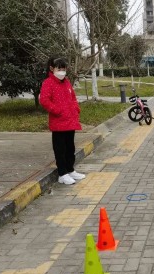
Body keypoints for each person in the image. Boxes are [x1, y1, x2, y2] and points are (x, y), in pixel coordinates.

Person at [39, 57, 85, 185]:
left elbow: (73, 97)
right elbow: (44, 100)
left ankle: (70, 170)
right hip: (58, 122)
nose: (62, 71)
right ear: (52, 69)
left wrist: (76, 108)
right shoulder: (48, 83)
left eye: (64, 68)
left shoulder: (67, 82)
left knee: (70, 147)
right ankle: (62, 173)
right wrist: (58, 110)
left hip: (70, 120)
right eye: (59, 68)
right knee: (60, 149)